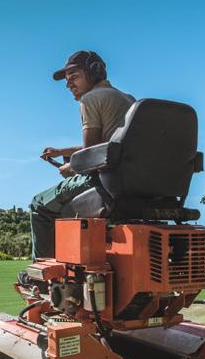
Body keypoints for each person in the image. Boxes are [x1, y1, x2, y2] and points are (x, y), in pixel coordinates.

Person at [30, 50, 135, 260]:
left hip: (103, 181)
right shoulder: (128, 99)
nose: (68, 84)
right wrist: (62, 152)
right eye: (67, 80)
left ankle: (45, 269)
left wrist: (71, 167)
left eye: (74, 76)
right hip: (131, 180)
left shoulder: (90, 99)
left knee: (38, 205)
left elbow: (89, 157)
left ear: (94, 72)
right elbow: (109, 145)